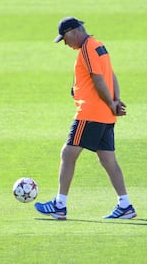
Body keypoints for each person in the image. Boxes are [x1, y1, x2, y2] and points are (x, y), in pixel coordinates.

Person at [34, 17, 136, 220]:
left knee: (68, 154)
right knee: (107, 159)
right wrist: (114, 102)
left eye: (65, 39)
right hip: (104, 114)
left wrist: (111, 103)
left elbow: (99, 79)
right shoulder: (99, 46)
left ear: (73, 32)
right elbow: (111, 74)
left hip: (90, 113)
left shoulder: (87, 47)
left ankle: (59, 205)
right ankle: (125, 205)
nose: (65, 43)